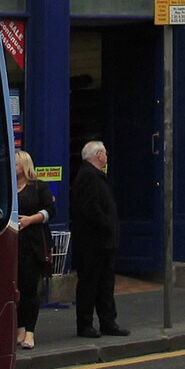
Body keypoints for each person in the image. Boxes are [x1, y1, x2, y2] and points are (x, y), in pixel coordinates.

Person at [70, 140, 127, 337]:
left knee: (105, 283)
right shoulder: (88, 176)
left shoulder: (95, 175)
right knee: (89, 284)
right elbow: (90, 208)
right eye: (105, 153)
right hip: (92, 243)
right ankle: (85, 324)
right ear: (98, 155)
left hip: (102, 243)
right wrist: (106, 223)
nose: (107, 156)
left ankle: (108, 322)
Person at [12, 149, 52, 350]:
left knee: (30, 289)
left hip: (33, 244)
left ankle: (30, 332)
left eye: (17, 163)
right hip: (14, 244)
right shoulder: (10, 187)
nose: (14, 166)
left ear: (25, 166)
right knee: (16, 288)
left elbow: (49, 211)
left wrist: (30, 220)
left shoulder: (38, 187)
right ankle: (19, 328)